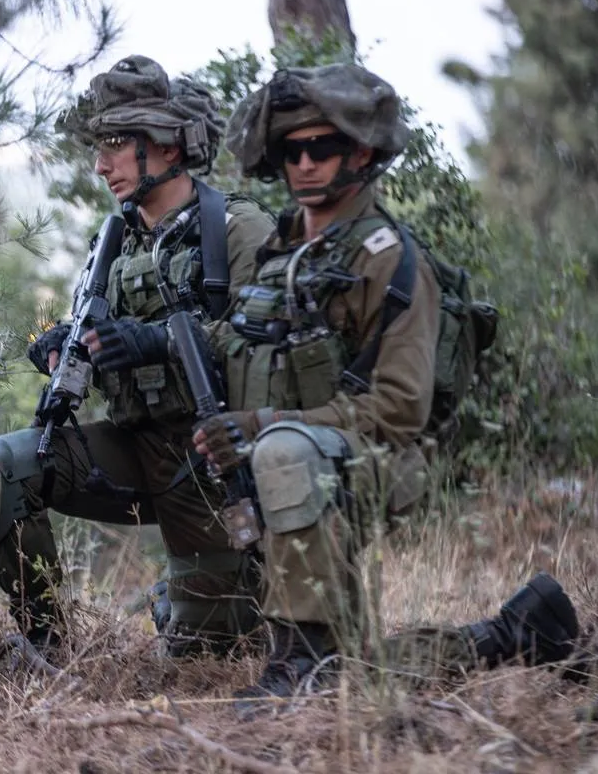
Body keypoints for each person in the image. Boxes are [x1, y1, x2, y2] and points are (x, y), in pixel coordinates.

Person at [0, 55, 275, 657]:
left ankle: (210, 591)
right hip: (134, 451)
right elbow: (85, 320)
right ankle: (45, 645)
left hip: (216, 463)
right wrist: (60, 343)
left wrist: (161, 340)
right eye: (99, 146)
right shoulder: (116, 241)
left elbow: (266, 343)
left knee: (203, 649)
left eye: (118, 145)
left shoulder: (237, 229)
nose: (101, 165)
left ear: (170, 148)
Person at [189, 62, 444, 703]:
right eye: (291, 150)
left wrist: (264, 428)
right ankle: (514, 633)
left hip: (380, 461)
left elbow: (401, 409)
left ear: (359, 153)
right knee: (368, 664)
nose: (302, 164)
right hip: (292, 456)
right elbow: (244, 346)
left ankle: (301, 663)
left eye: (320, 149)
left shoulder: (386, 257)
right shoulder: (283, 249)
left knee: (281, 453)